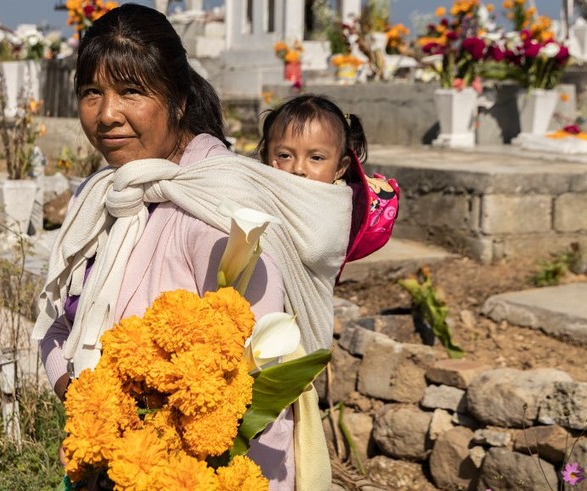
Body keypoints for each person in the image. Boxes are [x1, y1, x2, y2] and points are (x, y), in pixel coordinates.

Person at [32, 5, 352, 490]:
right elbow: (61, 325)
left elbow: (249, 389)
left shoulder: (222, 213)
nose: (106, 114)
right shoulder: (106, 194)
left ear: (178, 100)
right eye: (91, 93)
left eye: (131, 91)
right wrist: (92, 408)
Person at [257, 94, 399, 279]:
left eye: (316, 158)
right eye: (284, 155)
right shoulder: (261, 192)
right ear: (266, 157)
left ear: (340, 168)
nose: (299, 169)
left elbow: (313, 251)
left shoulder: (338, 209)